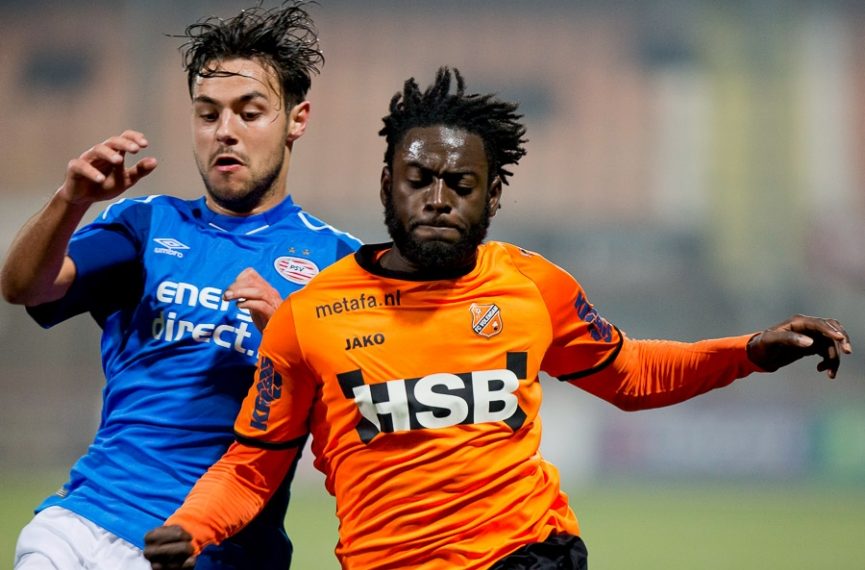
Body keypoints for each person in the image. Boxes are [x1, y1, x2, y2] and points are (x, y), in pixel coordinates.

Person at [142, 67, 853, 570]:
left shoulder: (530, 285)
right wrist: (193, 526)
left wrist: (750, 351)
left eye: (461, 183)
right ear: (388, 184)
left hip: (525, 553)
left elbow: (630, 374)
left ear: (492, 197)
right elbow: (253, 465)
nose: (438, 199)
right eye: (419, 180)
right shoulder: (309, 314)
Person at [1, 3, 361, 569]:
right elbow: (26, 287)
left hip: (211, 546)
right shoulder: (147, 225)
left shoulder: (340, 264)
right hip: (84, 521)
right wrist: (70, 203)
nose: (225, 132)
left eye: (250, 112)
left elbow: (360, 406)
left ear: (297, 119)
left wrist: (289, 338)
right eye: (208, 113)